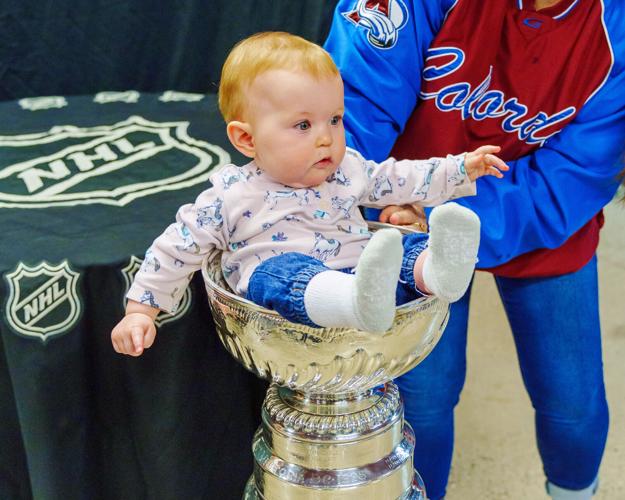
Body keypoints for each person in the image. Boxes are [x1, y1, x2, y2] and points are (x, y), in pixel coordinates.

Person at [325, 0, 625, 499]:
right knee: (422, 398)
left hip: (542, 216)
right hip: (404, 208)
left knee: (572, 401)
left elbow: (573, 177)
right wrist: (367, 197)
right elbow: (352, 109)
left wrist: (447, 217)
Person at [110, 32, 510, 356]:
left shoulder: (348, 169)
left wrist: (459, 168)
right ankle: (354, 300)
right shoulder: (231, 195)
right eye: (303, 125)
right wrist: (140, 311)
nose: (326, 138)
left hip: (366, 275)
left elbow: (398, 177)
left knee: (404, 246)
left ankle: (439, 270)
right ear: (247, 139)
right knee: (276, 274)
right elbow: (175, 248)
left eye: (334, 119)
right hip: (293, 299)